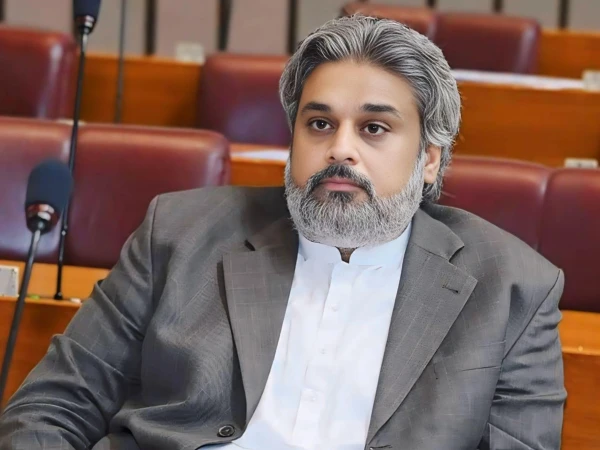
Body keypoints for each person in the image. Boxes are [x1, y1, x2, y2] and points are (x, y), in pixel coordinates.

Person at [0, 14, 565, 450]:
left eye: (374, 128)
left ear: (430, 160)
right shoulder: (177, 233)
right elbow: (52, 406)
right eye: (319, 123)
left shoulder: (514, 289)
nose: (340, 148)